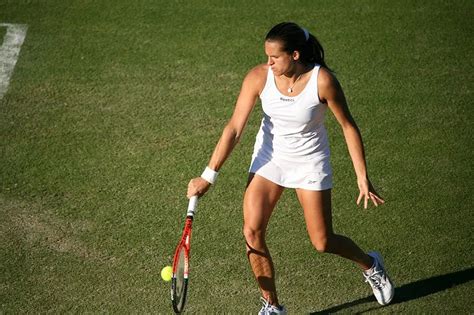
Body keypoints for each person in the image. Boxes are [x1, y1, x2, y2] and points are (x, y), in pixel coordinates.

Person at [187, 22, 394, 314]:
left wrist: (362, 177)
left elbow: (348, 127)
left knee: (323, 241)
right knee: (252, 230)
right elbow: (234, 128)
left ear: (295, 55)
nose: (268, 63)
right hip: (270, 159)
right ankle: (271, 305)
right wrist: (209, 176)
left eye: (275, 57)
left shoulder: (323, 82)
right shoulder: (258, 77)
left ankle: (370, 264)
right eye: (266, 56)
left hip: (310, 162)